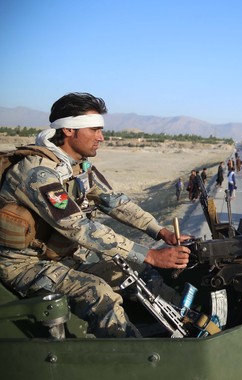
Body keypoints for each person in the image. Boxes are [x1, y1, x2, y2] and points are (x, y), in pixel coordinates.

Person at [0, 92, 190, 338]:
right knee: (99, 293)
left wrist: (160, 231)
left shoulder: (77, 167)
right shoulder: (37, 174)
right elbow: (80, 228)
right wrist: (151, 255)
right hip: (24, 265)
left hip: (64, 256)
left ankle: (188, 324)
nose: (101, 137)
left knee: (137, 272)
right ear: (69, 130)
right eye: (94, 130)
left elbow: (116, 203)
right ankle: (137, 358)